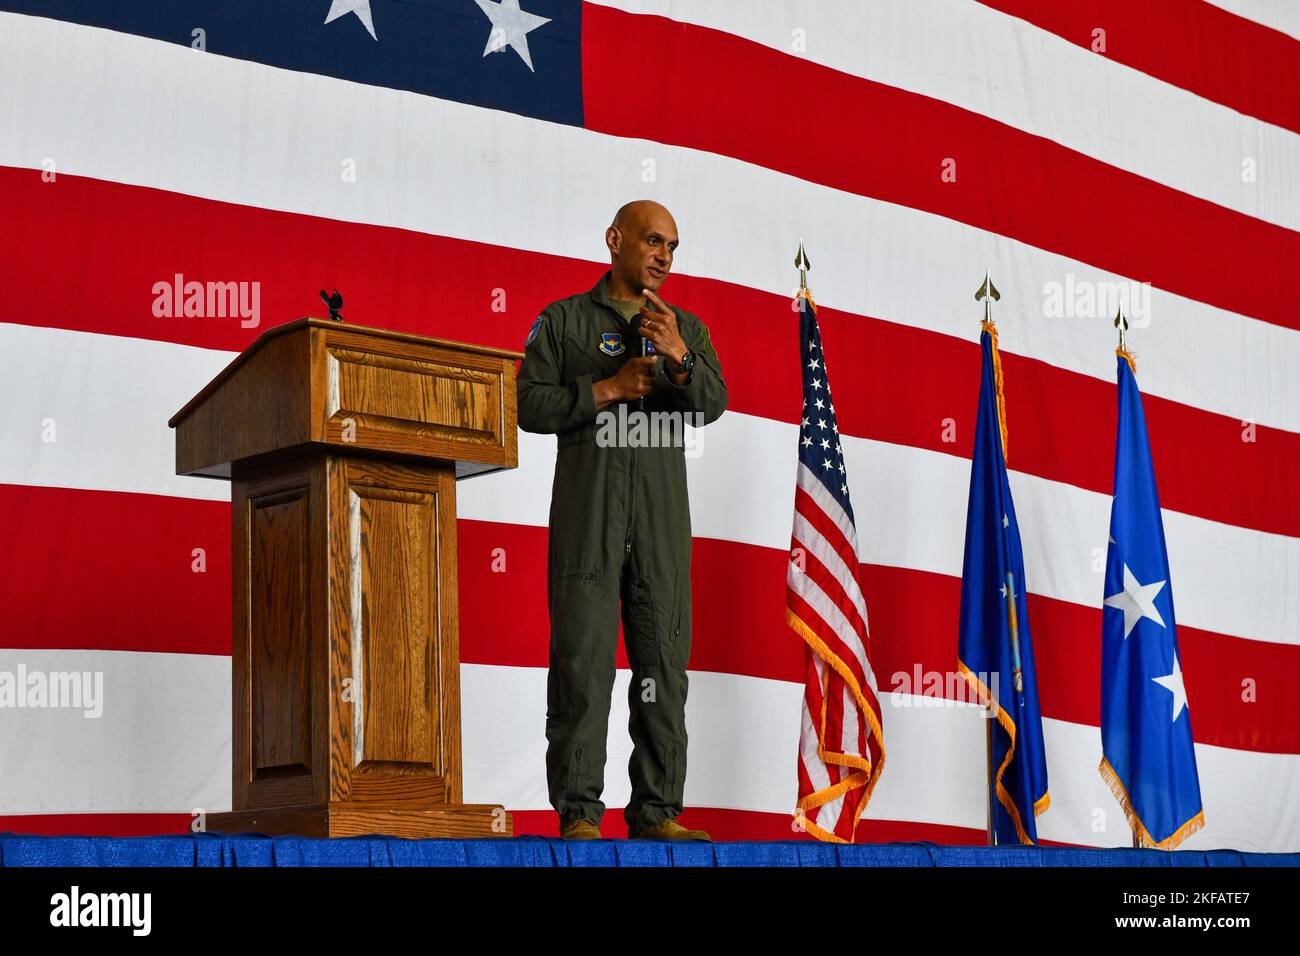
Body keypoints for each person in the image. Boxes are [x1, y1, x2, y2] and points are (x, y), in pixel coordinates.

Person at [516, 200, 728, 840]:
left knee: (662, 664)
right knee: (582, 661)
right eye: (653, 241)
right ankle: (580, 811)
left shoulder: (683, 326)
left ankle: (658, 812)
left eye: (673, 247)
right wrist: (605, 389)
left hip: (660, 520)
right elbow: (526, 402)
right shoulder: (565, 321)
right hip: (589, 517)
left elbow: (711, 403)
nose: (664, 256)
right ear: (615, 240)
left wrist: (679, 358)